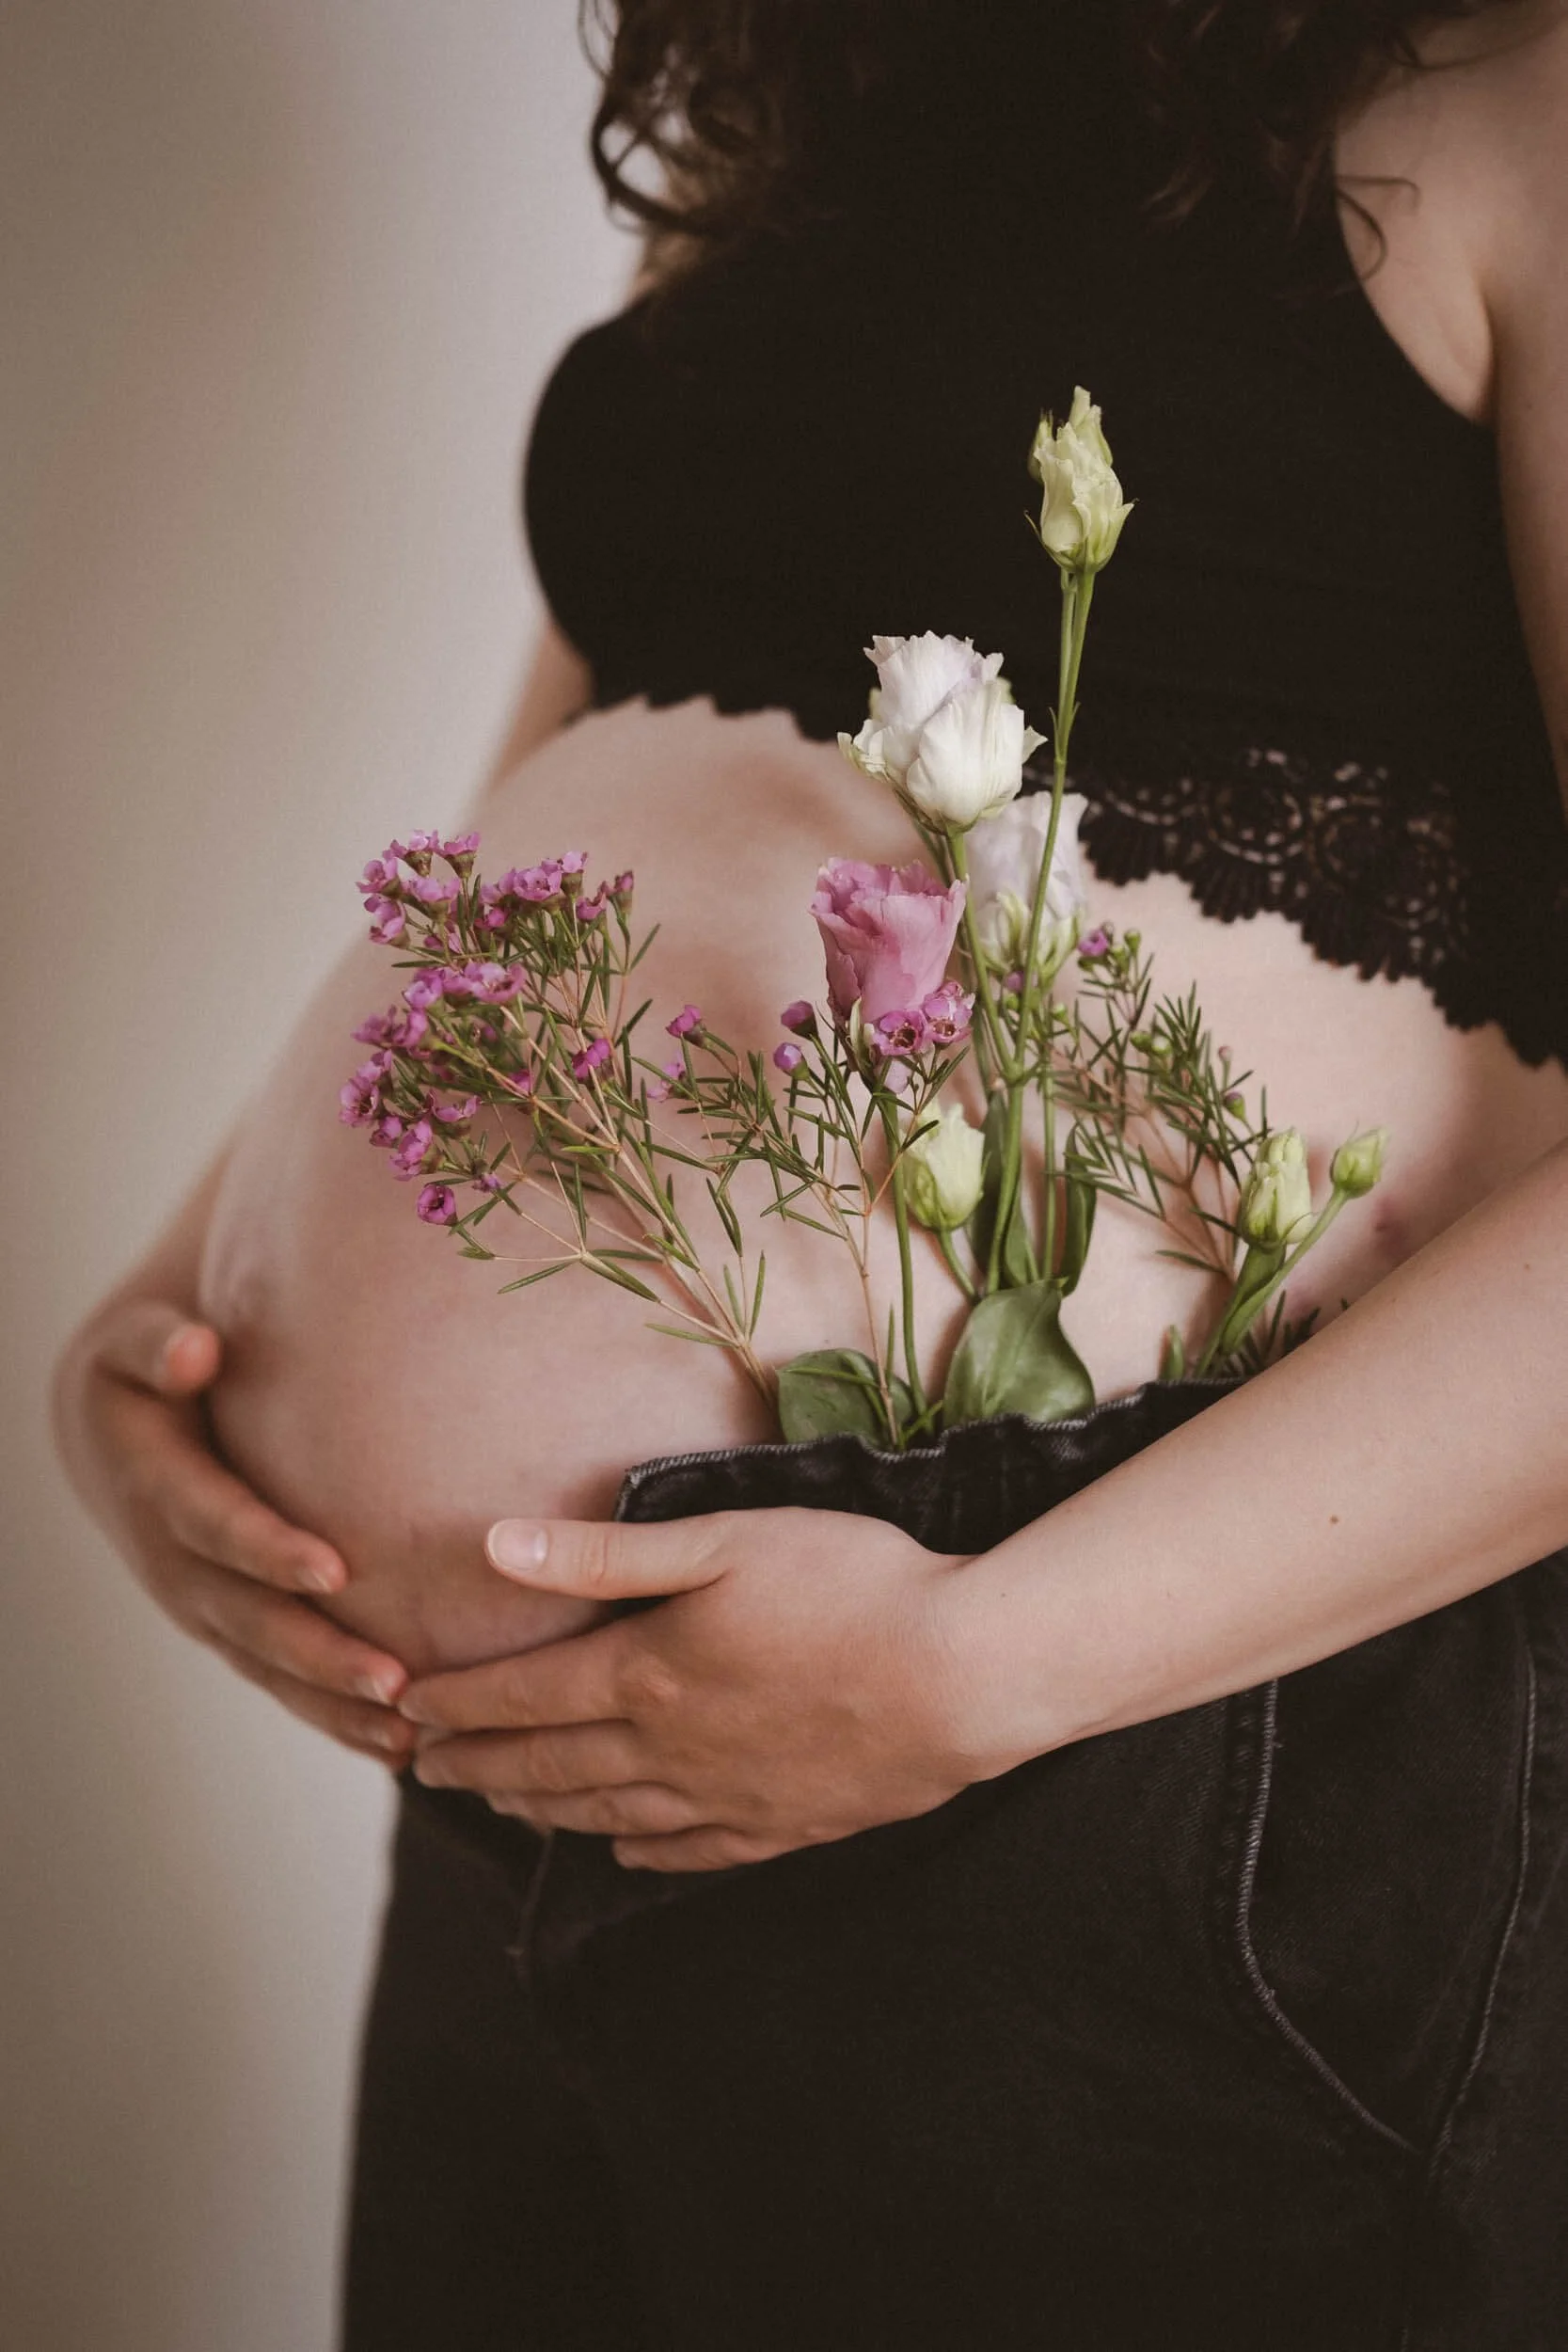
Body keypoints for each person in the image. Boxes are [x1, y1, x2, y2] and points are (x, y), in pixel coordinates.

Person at [53, 2, 1568, 2344]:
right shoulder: (779, 173)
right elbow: (501, 868)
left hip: (1100, 1740)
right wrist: (160, 1332)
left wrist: (968, 1662)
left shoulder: (1517, 103)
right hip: (517, 1802)